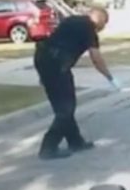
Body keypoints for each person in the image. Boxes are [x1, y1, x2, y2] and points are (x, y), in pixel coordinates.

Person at [34, 8, 120, 160]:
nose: (103, 28)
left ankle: (75, 141)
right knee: (66, 108)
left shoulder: (72, 20)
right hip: (57, 65)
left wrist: (43, 74)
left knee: (63, 107)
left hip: (44, 60)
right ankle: (48, 147)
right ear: (99, 19)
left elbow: (54, 40)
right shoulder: (88, 28)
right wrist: (110, 77)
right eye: (104, 23)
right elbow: (96, 58)